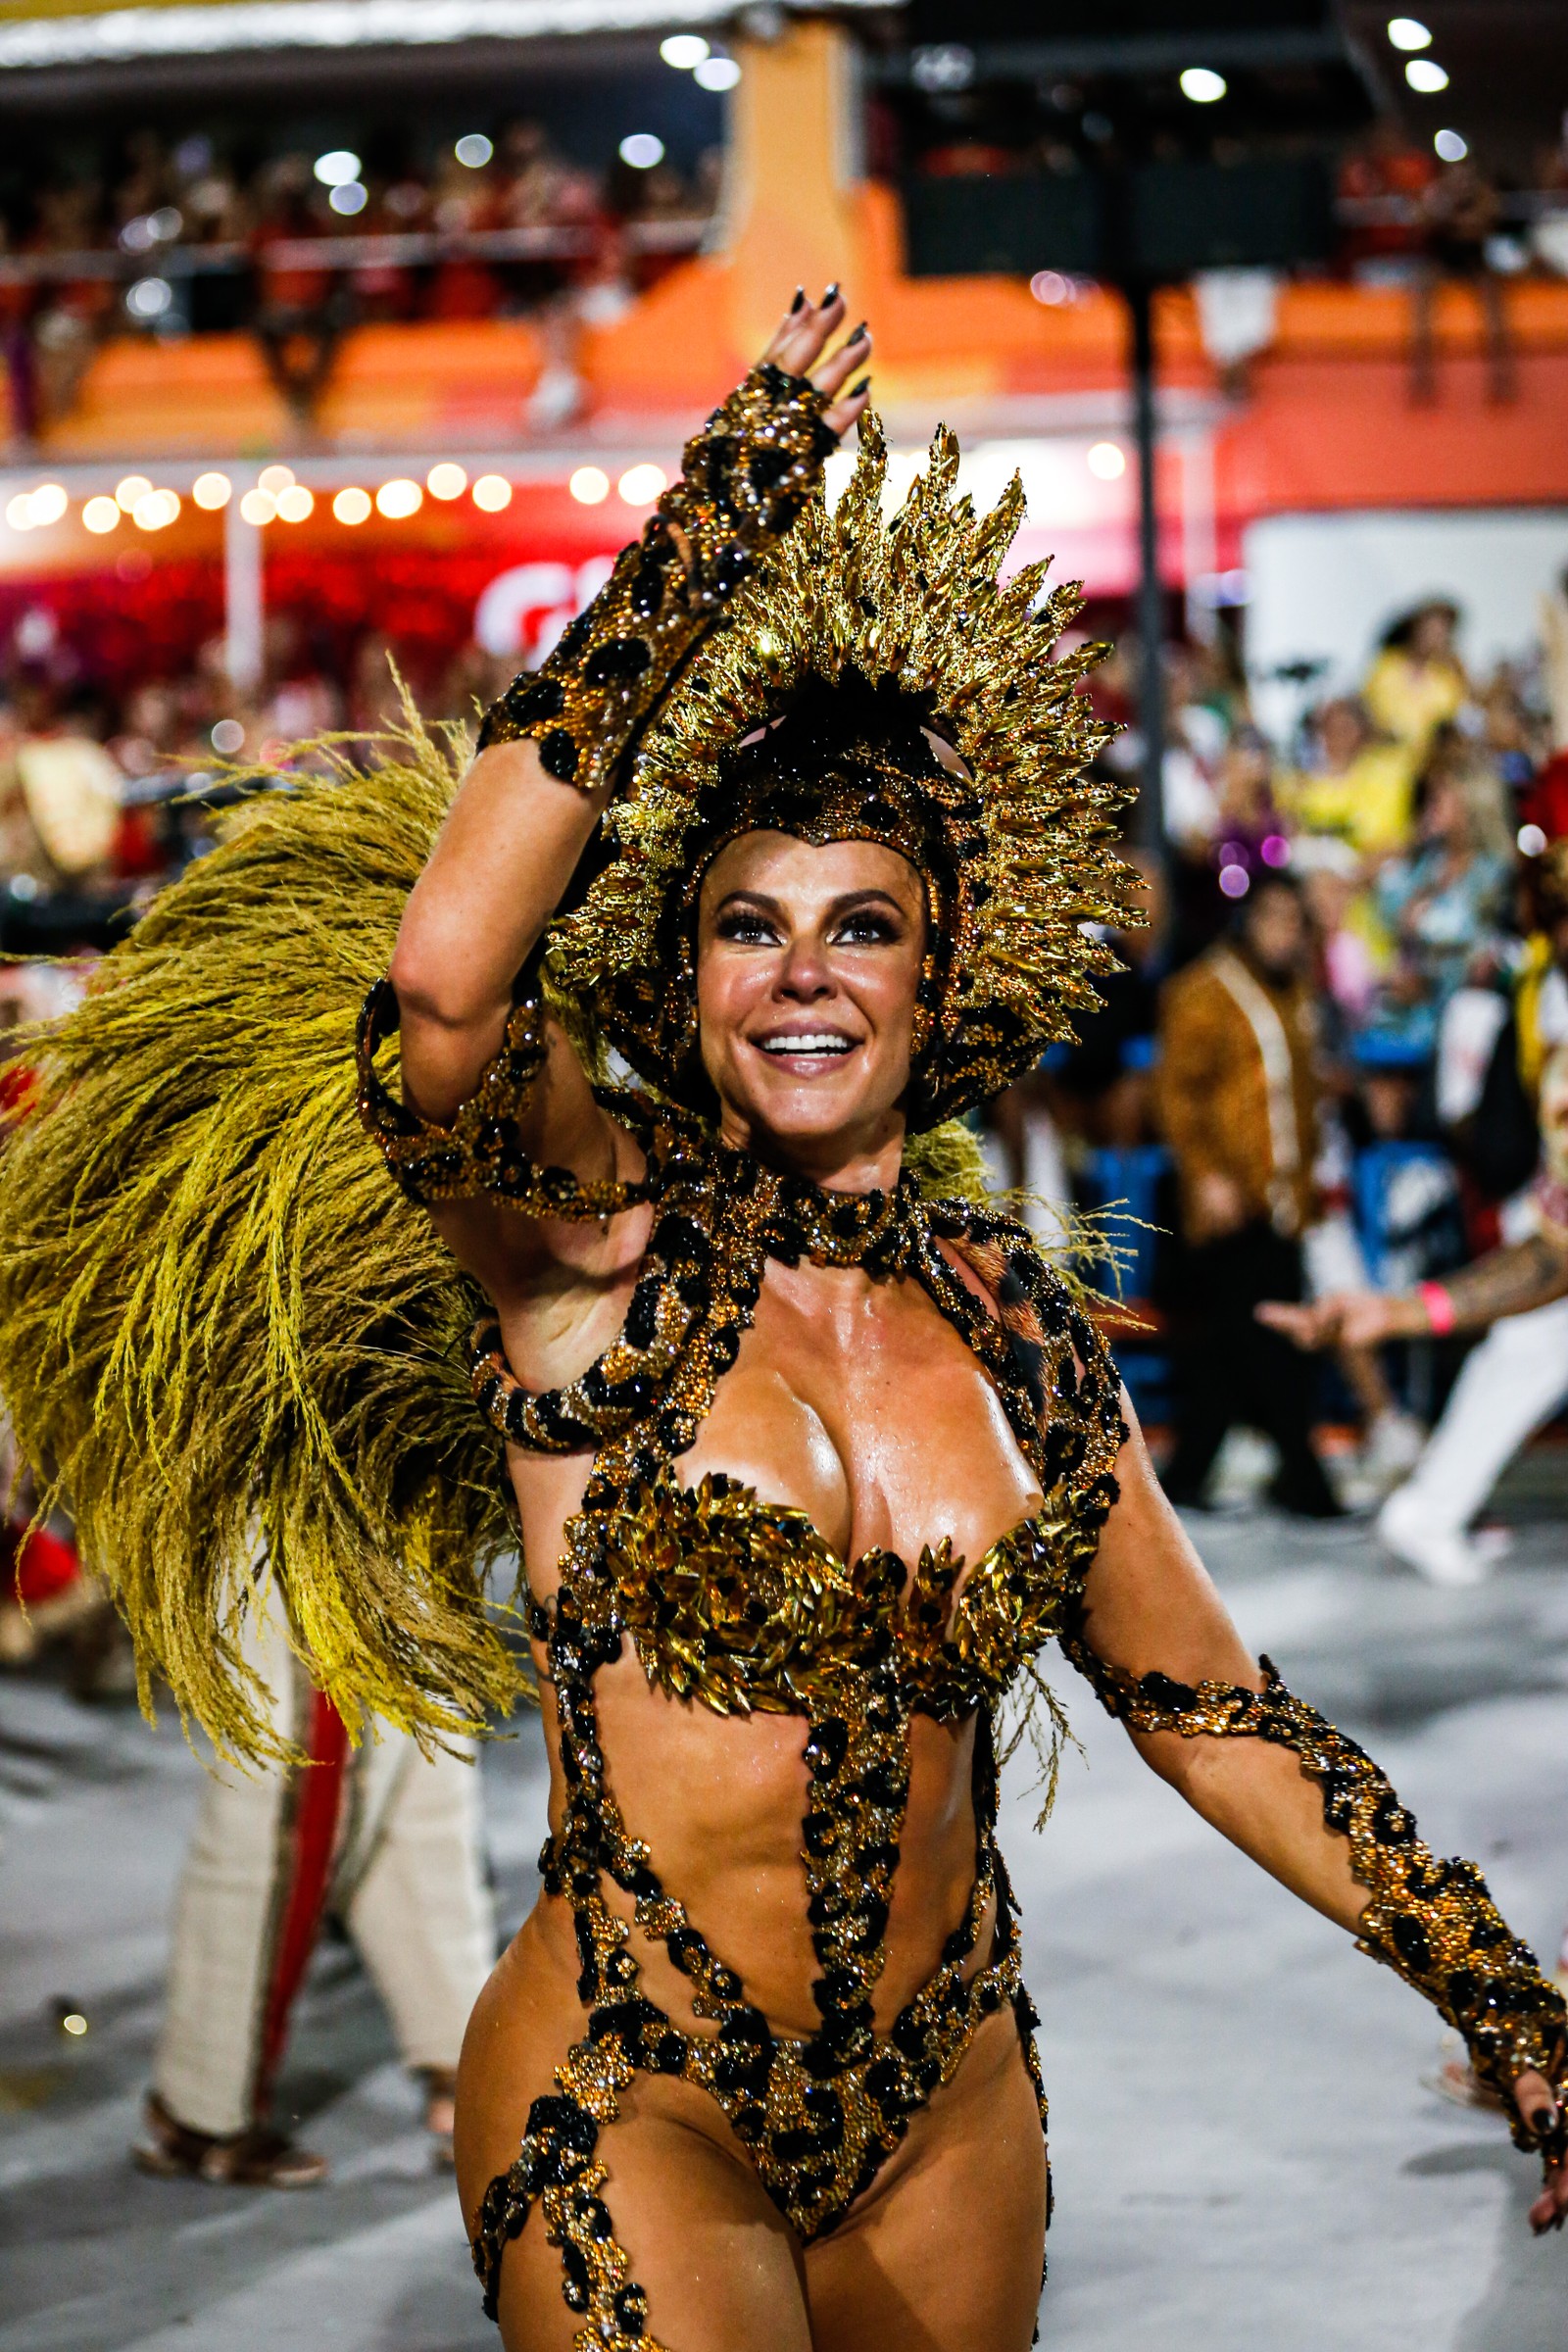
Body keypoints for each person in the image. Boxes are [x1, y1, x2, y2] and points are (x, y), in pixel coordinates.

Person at [0, 295, 1563, 2352]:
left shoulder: (1016, 1329)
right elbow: (451, 990)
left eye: (856, 929)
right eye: (748, 924)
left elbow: (1208, 1711)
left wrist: (1494, 1984)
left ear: (938, 974)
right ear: (688, 962)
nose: (798, 978)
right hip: (631, 2095)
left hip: (945, 2104)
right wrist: (704, 534)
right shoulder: (579, 1258)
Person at [134, 1573, 495, 2187]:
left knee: (422, 1750)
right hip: (292, 1494)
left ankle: (470, 2061)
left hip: (400, 1496)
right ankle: (201, 2103)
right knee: (294, 1763)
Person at [1153, 870, 1343, 1516]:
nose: (1287, 934)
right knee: (1268, 1340)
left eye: (1297, 922)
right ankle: (1306, 1481)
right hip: (1233, 1193)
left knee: (1231, 1350)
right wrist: (1206, 1174)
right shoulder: (1203, 990)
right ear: (1248, 920)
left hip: (1280, 1193)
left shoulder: (1291, 993)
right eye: (1275, 919)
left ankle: (1189, 1476)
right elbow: (1179, 1093)